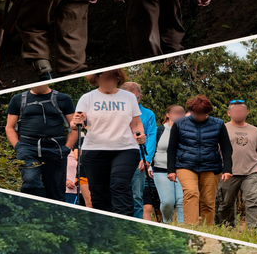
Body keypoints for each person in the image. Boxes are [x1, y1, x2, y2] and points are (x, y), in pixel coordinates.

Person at [71, 69, 146, 216]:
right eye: (106, 78)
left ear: (118, 79)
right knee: (99, 191)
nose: (109, 81)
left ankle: (124, 222)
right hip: (94, 149)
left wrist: (140, 135)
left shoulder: (129, 97)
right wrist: (75, 123)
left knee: (120, 184)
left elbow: (136, 123)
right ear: (97, 78)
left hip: (125, 149)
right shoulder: (87, 98)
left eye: (113, 78)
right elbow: (77, 122)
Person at [167, 95, 233, 226]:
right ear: (191, 111)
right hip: (185, 165)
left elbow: (226, 147)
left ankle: (207, 231)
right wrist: (171, 170)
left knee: (208, 201)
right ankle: (191, 229)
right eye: (197, 113)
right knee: (191, 193)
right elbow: (172, 148)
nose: (200, 116)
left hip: (211, 165)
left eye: (204, 113)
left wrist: (227, 169)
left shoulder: (218, 124)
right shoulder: (180, 124)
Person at [5, 83, 76, 201]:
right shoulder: (18, 99)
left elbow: (73, 127)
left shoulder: (63, 98)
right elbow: (9, 127)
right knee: (31, 182)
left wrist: (67, 148)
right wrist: (18, 147)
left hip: (56, 148)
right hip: (27, 148)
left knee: (56, 191)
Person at [216, 100, 257, 229]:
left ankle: (255, 231)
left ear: (247, 112)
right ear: (229, 113)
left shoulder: (256, 131)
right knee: (224, 203)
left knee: (254, 201)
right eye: (235, 111)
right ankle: (226, 229)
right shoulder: (222, 129)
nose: (238, 113)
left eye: (241, 111)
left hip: (251, 172)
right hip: (227, 172)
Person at [121, 82, 157, 220]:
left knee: (136, 196)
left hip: (138, 159)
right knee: (117, 193)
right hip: (117, 158)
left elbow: (152, 137)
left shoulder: (148, 114)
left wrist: (147, 158)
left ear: (140, 97)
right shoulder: (115, 113)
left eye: (135, 98)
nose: (131, 101)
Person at [152, 105, 185, 223]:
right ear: (168, 115)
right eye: (176, 112)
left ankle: (183, 227)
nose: (178, 115)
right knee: (167, 202)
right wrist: (149, 165)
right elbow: (151, 148)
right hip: (161, 170)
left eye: (181, 113)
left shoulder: (187, 131)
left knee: (182, 201)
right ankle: (168, 223)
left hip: (182, 169)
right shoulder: (159, 130)